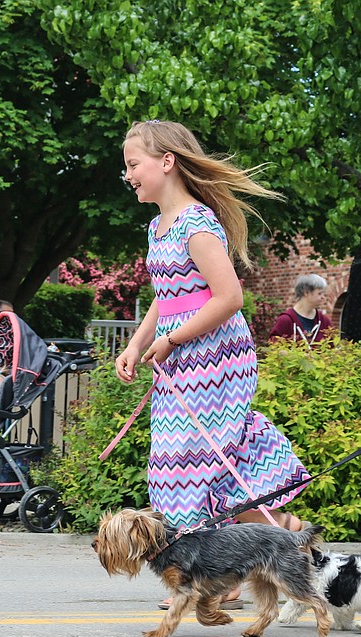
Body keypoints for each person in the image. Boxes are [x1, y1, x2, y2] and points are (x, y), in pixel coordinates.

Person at [116, 120, 311, 609]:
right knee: (185, 469)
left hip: (216, 360)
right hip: (179, 359)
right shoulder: (157, 227)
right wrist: (138, 344)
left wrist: (173, 339)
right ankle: (276, 539)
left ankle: (220, 574)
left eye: (133, 165)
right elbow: (166, 298)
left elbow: (229, 297)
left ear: (167, 162)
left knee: (199, 466)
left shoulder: (196, 225)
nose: (128, 175)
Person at [269, 274, 333, 344]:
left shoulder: (324, 321)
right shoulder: (286, 320)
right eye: (320, 293)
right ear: (306, 292)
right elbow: (273, 344)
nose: (323, 297)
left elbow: (332, 348)